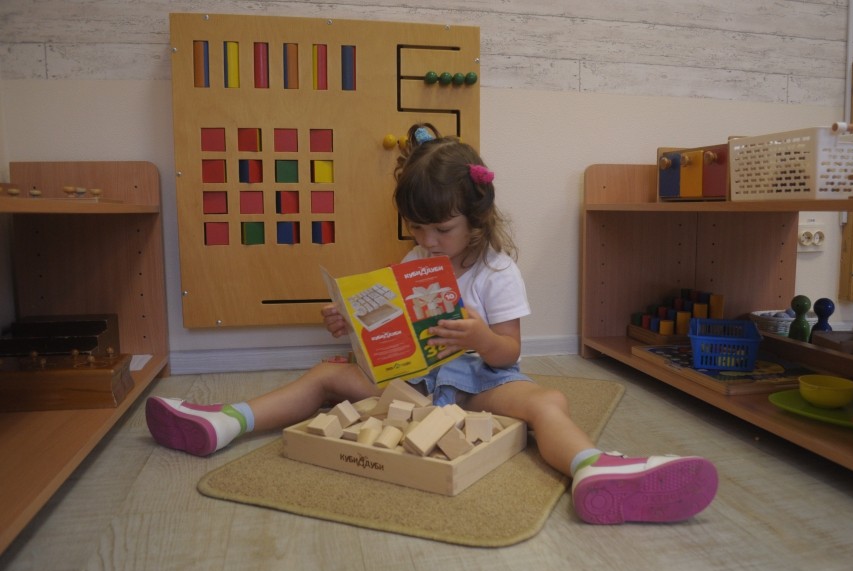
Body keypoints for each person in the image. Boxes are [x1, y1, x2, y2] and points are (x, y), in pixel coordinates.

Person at [146, 123, 718, 524]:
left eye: (441, 229)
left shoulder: (498, 271)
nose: (428, 241)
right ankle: (227, 421)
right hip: (415, 385)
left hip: (480, 386)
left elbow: (508, 353)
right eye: (416, 229)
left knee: (549, 402)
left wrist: (481, 337)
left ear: (478, 218)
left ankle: (590, 468)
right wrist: (352, 324)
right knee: (324, 374)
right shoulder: (417, 259)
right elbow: (389, 326)